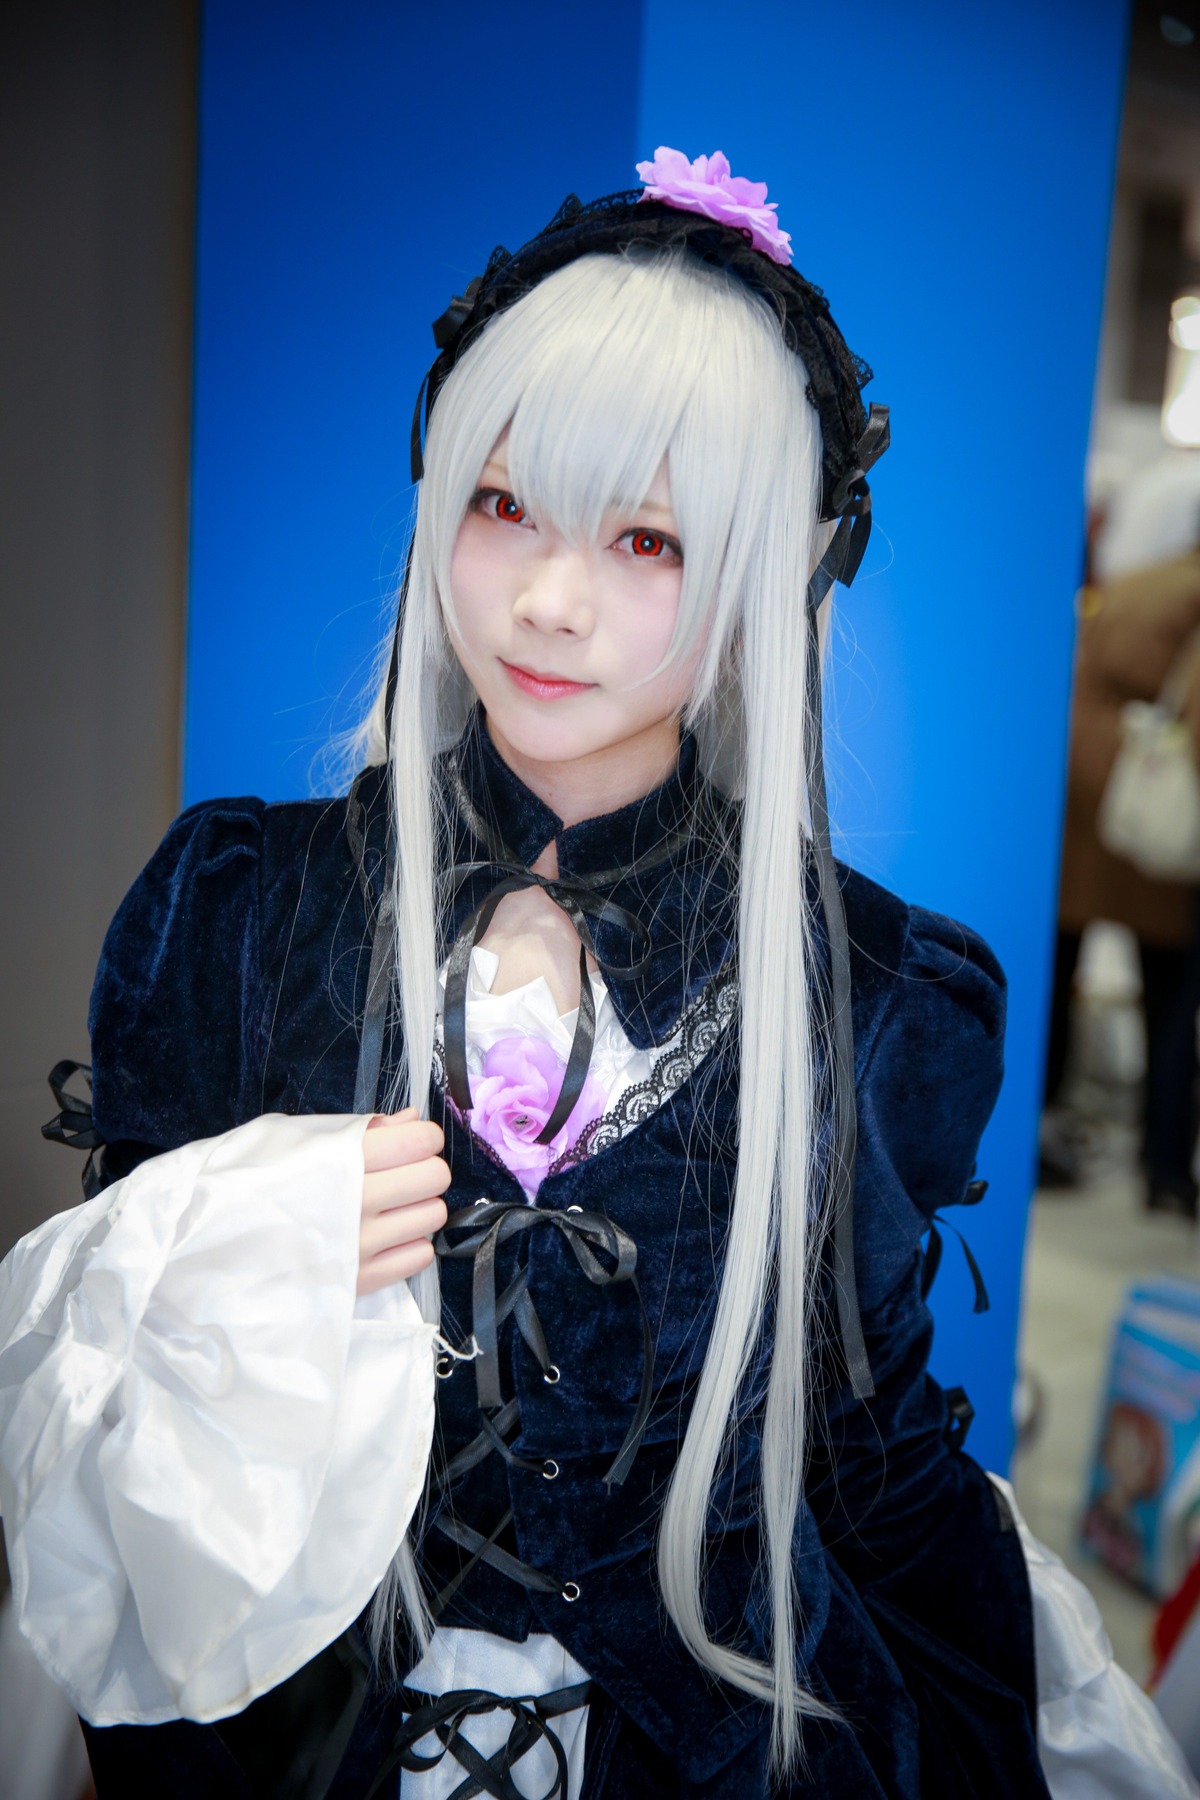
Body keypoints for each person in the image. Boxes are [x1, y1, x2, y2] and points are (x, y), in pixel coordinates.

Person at [1, 148, 1196, 1800]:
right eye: (502, 507)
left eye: (647, 539)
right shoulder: (246, 908)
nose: (549, 604)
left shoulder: (864, 986)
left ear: (775, 576)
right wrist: (228, 1243)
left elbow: (872, 1460)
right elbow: (99, 1395)